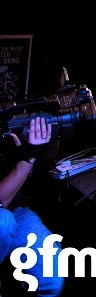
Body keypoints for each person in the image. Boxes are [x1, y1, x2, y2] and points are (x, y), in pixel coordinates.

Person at [0, 117, 64, 296]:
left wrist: (46, 138)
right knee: (3, 223)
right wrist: (29, 157)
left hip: (14, 210)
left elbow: (47, 156)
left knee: (52, 278)